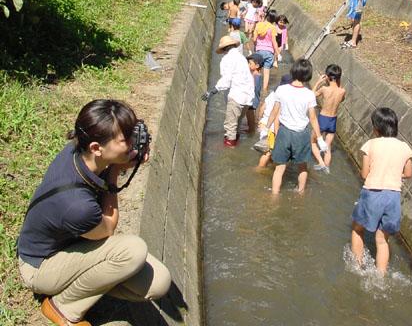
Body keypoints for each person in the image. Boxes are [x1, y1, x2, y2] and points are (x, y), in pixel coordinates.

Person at [17, 100, 171, 326]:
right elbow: (107, 228)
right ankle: (63, 307)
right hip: (41, 266)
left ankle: (87, 283)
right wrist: (116, 170)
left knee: (159, 282)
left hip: (72, 244)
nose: (133, 144)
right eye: (125, 140)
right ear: (97, 148)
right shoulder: (77, 205)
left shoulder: (79, 152)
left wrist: (119, 161)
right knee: (132, 250)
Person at [351, 107, 412, 274]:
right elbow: (408, 173)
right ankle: (381, 276)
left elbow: (365, 174)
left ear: (376, 128)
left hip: (373, 192)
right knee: (382, 239)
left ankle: (357, 266)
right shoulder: (404, 147)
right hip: (393, 196)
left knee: (357, 229)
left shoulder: (370, 144)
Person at [266, 59, 323, 194]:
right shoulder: (309, 94)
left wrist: (266, 128)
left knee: (279, 168)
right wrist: (320, 138)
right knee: (302, 167)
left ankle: (274, 195)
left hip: (284, 132)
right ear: (308, 75)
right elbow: (313, 118)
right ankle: (300, 192)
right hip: (301, 134)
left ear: (293, 71)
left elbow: (274, 111)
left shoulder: (281, 89)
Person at [202, 36, 254, 147]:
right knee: (237, 124)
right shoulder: (242, 58)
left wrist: (212, 91)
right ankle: (237, 148)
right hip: (247, 97)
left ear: (224, 49)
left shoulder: (227, 59)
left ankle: (230, 150)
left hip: (236, 96)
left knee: (230, 127)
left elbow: (226, 79)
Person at [311, 64, 346, 172]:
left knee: (313, 142)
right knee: (327, 147)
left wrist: (318, 82)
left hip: (323, 119)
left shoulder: (324, 89)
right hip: (333, 121)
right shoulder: (342, 91)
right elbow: (342, 99)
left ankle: (321, 163)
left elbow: (311, 95)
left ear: (327, 76)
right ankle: (326, 168)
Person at [254, 73, 292, 168]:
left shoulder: (273, 94)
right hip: (272, 128)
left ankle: (267, 166)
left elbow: (262, 107)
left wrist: (259, 120)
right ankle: (258, 169)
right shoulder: (285, 98)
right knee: (268, 152)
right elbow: (277, 117)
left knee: (269, 148)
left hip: (264, 124)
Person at [253, 10, 280, 92]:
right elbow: (274, 42)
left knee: (256, 70)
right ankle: (264, 90)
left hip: (259, 51)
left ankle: (254, 87)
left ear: (266, 16)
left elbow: (254, 39)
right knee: (266, 72)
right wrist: (278, 53)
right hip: (269, 52)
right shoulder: (273, 28)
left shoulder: (258, 25)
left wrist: (256, 46)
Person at [246, 53, 264, 134]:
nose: (248, 65)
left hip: (253, 99)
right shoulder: (254, 74)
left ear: (257, 66)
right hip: (254, 98)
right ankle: (252, 128)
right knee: (250, 115)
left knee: (250, 115)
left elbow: (254, 89)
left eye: (250, 63)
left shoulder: (256, 76)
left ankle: (251, 130)